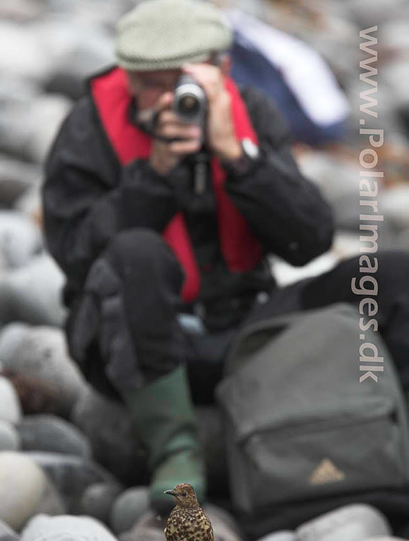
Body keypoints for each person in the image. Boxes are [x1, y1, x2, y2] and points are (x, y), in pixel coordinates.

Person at [43, 0, 409, 514]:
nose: (168, 98)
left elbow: (309, 241)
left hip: (246, 331)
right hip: (135, 339)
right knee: (134, 251)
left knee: (392, 277)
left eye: (182, 81)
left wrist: (239, 158)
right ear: (125, 75)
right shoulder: (89, 128)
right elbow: (76, 256)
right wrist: (154, 174)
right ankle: (175, 450)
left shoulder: (251, 113)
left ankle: (397, 437)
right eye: (150, 82)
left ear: (222, 69)